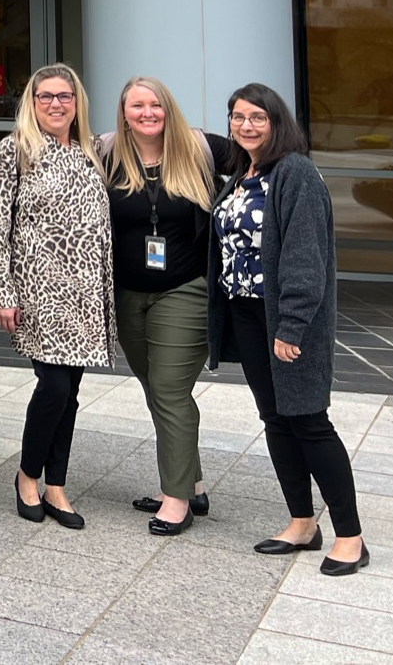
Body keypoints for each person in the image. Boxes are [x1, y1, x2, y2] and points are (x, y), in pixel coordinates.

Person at [210, 83, 367, 575]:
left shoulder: (295, 172)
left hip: (287, 320)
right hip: (247, 315)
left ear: (277, 122)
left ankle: (351, 538)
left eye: (258, 117)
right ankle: (302, 523)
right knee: (276, 420)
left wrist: (292, 326)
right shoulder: (242, 174)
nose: (247, 125)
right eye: (238, 117)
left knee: (309, 422)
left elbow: (304, 257)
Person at [0, 64, 113, 529]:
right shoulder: (16, 149)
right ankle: (27, 475)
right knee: (54, 387)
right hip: (39, 289)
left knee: (70, 393)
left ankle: (56, 485)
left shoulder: (93, 150)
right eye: (46, 97)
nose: (56, 104)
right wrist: (3, 291)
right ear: (32, 103)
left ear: (77, 103)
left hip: (86, 291)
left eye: (64, 96)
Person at [102, 76, 234, 534]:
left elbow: (262, 156)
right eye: (137, 106)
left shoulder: (200, 148)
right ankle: (191, 484)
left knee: (170, 389)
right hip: (127, 294)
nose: (147, 113)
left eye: (155, 104)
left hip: (186, 288)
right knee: (156, 388)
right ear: (124, 113)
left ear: (168, 108)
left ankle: (175, 500)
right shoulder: (106, 153)